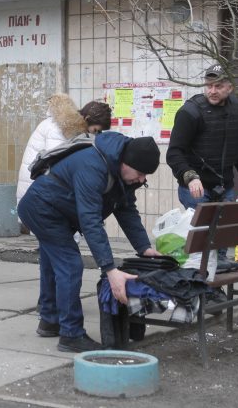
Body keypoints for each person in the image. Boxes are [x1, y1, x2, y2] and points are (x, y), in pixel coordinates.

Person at [17, 132, 162, 353]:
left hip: (58, 211)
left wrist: (144, 247)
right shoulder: (93, 166)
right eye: (140, 173)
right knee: (70, 264)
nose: (142, 180)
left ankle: (50, 320)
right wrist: (109, 268)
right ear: (125, 162)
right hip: (42, 208)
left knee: (52, 263)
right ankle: (71, 334)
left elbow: (126, 210)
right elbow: (90, 220)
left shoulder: (121, 172)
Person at [15, 95, 111, 337]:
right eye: (95, 130)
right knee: (67, 260)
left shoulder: (62, 126)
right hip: (42, 202)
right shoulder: (61, 131)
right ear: (86, 120)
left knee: (51, 255)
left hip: (41, 199)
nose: (95, 137)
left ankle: (49, 311)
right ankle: (60, 316)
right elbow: (59, 169)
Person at [166, 64, 238, 274]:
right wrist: (190, 177)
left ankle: (214, 291)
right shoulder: (191, 112)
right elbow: (174, 153)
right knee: (204, 241)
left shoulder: (236, 108)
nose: (212, 91)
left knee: (221, 242)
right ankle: (202, 288)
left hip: (225, 186)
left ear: (229, 87)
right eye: (208, 85)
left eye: (218, 86)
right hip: (196, 187)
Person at [16, 95, 112, 205]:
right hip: (35, 195)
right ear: (87, 119)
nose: (95, 134)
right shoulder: (59, 128)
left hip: (39, 192)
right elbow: (54, 166)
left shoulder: (67, 127)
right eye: (95, 130)